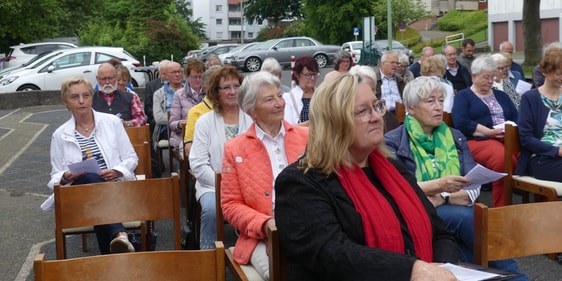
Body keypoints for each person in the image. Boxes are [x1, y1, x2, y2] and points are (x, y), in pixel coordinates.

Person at [274, 74, 458, 280]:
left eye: (376, 106)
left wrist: (441, 268)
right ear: (334, 123)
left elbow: (440, 234)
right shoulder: (300, 183)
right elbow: (332, 254)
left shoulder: (394, 169)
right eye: (362, 111)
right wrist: (413, 270)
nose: (376, 117)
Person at [385, 77, 529, 280]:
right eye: (430, 101)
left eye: (441, 100)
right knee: (468, 219)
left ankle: (506, 276)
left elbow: (472, 186)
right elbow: (400, 188)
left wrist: (441, 197)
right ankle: (515, 276)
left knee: (466, 225)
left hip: (447, 207)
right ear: (411, 107)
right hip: (415, 211)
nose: (438, 107)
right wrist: (442, 186)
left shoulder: (455, 136)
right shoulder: (393, 142)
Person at [222, 71, 309, 280]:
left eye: (279, 95)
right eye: (270, 99)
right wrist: (264, 224)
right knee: (284, 271)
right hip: (261, 237)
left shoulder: (307, 137)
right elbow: (230, 205)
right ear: (251, 110)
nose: (279, 103)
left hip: (309, 226)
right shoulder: (235, 149)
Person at [45, 76, 138, 254]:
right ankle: (119, 234)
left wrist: (117, 171)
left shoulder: (111, 122)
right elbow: (55, 175)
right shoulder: (59, 135)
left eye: (86, 95)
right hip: (79, 197)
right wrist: (66, 176)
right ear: (66, 102)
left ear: (91, 97)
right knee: (89, 177)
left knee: (97, 197)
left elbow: (131, 158)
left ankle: (114, 251)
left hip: (114, 189)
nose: (81, 101)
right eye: (75, 97)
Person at [189, 66, 253, 249]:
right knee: (210, 211)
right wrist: (224, 184)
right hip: (212, 185)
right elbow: (198, 163)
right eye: (226, 87)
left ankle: (250, 253)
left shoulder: (253, 118)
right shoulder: (204, 122)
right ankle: (207, 259)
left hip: (249, 184)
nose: (232, 91)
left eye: (236, 86)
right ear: (215, 92)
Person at [451, 55, 518, 207]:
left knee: (530, 154)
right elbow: (461, 123)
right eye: (486, 77)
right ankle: (501, 209)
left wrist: (510, 129)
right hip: (477, 140)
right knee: (503, 160)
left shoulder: (501, 95)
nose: (490, 82)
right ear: (474, 76)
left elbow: (516, 116)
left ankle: (533, 207)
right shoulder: (463, 96)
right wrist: (489, 132)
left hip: (507, 137)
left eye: (492, 78)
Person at [518, 45, 562, 182]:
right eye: (558, 73)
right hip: (543, 158)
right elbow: (526, 138)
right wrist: (557, 151)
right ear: (545, 71)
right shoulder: (530, 98)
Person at [168, 59, 206, 155]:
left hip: (206, 135)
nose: (198, 80)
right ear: (187, 77)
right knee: (192, 150)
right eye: (194, 77)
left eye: (200, 77)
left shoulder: (209, 93)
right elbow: (172, 123)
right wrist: (180, 124)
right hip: (183, 136)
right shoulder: (179, 94)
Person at [92, 63, 147, 128]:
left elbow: (141, 119)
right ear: (97, 79)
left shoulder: (131, 97)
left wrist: (127, 124)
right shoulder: (90, 98)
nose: (107, 82)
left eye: (110, 78)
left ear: (115, 77)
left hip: (126, 135)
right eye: (103, 79)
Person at [183, 65, 221, 156]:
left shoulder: (241, 109)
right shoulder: (196, 112)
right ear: (205, 88)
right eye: (217, 87)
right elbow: (189, 147)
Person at [152, 62, 185, 149]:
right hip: (167, 129)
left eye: (179, 72)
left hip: (188, 127)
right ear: (166, 75)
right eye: (174, 72)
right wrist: (177, 121)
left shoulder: (189, 91)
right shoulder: (158, 94)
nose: (177, 75)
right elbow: (158, 118)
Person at [283, 56, 319, 124]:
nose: (312, 78)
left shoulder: (322, 95)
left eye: (315, 74)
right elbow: (288, 127)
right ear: (297, 75)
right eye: (308, 75)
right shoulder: (288, 98)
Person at [376, 51, 403, 132]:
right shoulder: (375, 80)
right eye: (392, 62)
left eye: (397, 63)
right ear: (383, 63)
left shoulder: (400, 81)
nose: (395, 65)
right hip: (383, 115)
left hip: (400, 114)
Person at [145, 60, 171, 133]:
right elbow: (148, 107)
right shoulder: (151, 85)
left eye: (168, 73)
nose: (166, 77)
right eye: (164, 74)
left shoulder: (177, 84)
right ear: (159, 73)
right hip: (156, 116)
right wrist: (158, 115)